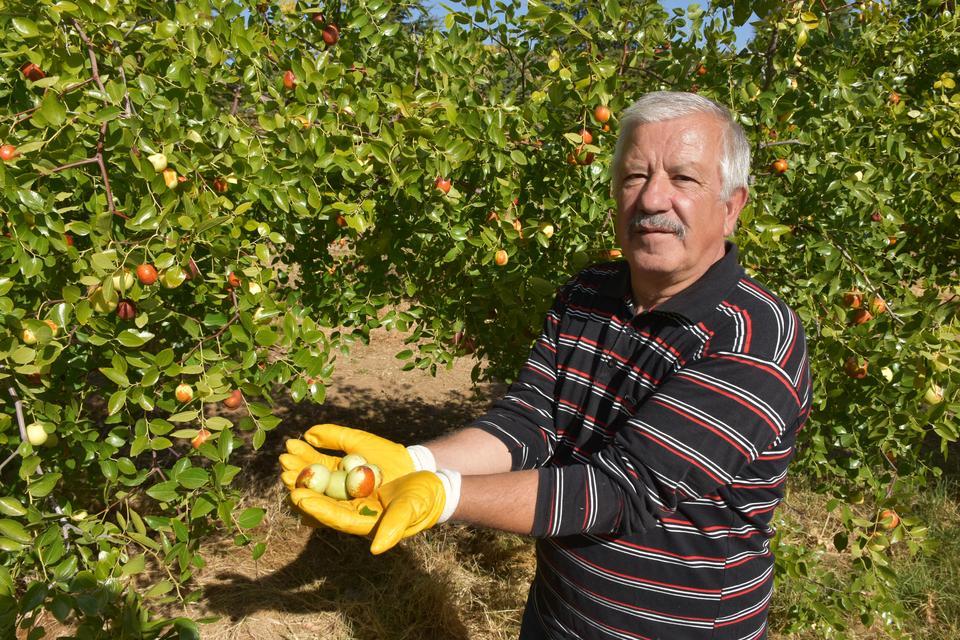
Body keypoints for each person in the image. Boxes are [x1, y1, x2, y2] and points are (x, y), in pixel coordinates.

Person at [280, 91, 812, 639]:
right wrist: (412, 461)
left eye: (683, 178)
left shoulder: (754, 338)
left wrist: (443, 493)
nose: (653, 197)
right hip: (556, 617)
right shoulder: (590, 294)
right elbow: (529, 422)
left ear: (731, 208)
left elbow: (619, 490)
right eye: (633, 176)